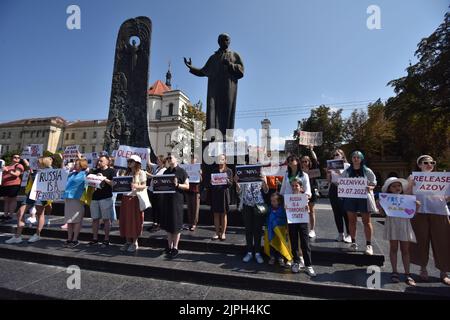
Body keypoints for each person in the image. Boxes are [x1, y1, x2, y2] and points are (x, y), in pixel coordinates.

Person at [184, 33, 244, 139]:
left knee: (227, 111)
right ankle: (212, 136)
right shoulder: (213, 58)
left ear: (229, 42)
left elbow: (241, 70)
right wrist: (191, 67)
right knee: (212, 109)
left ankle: (226, 137)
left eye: (227, 39)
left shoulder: (234, 55)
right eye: (222, 40)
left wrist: (230, 65)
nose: (225, 41)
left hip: (228, 89)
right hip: (214, 90)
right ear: (218, 42)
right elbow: (203, 71)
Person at [406, 155, 450, 285]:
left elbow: (447, 197)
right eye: (426, 162)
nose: (429, 164)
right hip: (420, 212)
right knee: (420, 241)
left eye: (432, 162)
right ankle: (423, 269)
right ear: (419, 165)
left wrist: (444, 197)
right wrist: (410, 186)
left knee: (443, 241)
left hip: (439, 212)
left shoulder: (442, 178)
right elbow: (407, 195)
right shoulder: (413, 177)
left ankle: (444, 272)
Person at [378, 177, 418, 286]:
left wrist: (417, 207)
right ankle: (394, 271)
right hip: (392, 224)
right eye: (394, 186)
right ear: (389, 189)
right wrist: (380, 206)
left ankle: (407, 273)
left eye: (399, 186)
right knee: (394, 248)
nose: (397, 188)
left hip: (404, 224)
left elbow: (412, 215)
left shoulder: (407, 198)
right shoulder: (386, 199)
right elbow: (382, 214)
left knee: (405, 250)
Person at [5, 157, 53, 244]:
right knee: (20, 212)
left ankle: (37, 235)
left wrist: (30, 169)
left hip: (41, 194)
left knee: (40, 213)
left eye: (39, 162)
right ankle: (17, 236)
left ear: (43, 163)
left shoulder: (49, 170)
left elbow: (39, 180)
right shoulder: (37, 169)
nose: (37, 164)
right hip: (31, 193)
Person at [341, 151, 377, 255]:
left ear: (361, 159)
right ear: (351, 159)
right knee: (351, 221)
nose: (356, 159)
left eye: (358, 157)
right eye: (354, 157)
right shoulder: (347, 171)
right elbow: (341, 182)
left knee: (367, 222)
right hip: (350, 198)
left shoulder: (367, 171)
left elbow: (374, 183)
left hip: (364, 198)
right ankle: (353, 243)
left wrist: (370, 187)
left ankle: (369, 245)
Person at [280, 154, 311, 267]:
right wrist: (284, 202)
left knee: (302, 236)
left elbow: (308, 192)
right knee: (291, 234)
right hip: (289, 207)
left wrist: (302, 198)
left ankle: (302, 257)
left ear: (297, 161)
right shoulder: (286, 175)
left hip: (300, 207)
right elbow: (283, 190)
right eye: (288, 161)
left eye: (292, 160)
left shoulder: (304, 176)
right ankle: (292, 257)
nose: (290, 162)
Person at [235, 170, 269, 264]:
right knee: (248, 229)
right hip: (246, 205)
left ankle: (258, 253)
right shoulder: (243, 173)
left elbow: (266, 190)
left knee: (257, 230)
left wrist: (264, 181)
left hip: (258, 205)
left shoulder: (261, 172)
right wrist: (236, 182)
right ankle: (249, 252)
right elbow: (239, 191)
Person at [160, 154, 189, 258]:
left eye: (171, 157)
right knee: (168, 224)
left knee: (176, 224)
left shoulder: (181, 171)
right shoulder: (166, 172)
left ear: (176, 159)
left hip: (177, 200)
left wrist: (177, 185)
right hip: (167, 200)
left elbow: (187, 186)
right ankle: (169, 246)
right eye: (168, 158)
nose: (169, 159)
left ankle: (175, 247)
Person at [119, 155, 149, 253]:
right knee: (126, 219)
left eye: (131, 161)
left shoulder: (141, 173)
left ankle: (135, 242)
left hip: (135, 199)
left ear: (136, 163)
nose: (129, 163)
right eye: (128, 161)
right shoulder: (126, 172)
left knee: (134, 220)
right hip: (126, 198)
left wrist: (136, 185)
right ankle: (127, 241)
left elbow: (144, 185)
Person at [287, 178, 316, 277]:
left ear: (301, 187)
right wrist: (286, 208)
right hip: (292, 221)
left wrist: (307, 209)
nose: (295, 187)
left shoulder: (304, 197)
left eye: (296, 186)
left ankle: (308, 265)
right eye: (293, 186)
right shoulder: (289, 198)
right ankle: (296, 262)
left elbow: (308, 211)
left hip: (302, 221)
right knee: (294, 242)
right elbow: (287, 209)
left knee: (305, 242)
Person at [88, 155, 115, 247]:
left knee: (106, 219)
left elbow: (114, 184)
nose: (99, 162)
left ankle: (106, 239)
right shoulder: (95, 171)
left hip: (106, 197)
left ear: (107, 162)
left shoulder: (111, 171)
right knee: (95, 219)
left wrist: (104, 178)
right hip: (95, 197)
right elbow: (90, 183)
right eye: (99, 161)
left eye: (101, 161)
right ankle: (95, 238)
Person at [326, 149, 351, 243]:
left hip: (344, 188)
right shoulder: (331, 165)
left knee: (345, 212)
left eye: (337, 154)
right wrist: (328, 173)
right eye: (334, 155)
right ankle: (340, 233)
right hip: (333, 188)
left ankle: (349, 234)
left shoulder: (347, 166)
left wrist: (340, 172)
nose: (335, 156)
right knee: (336, 213)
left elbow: (350, 179)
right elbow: (328, 180)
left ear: (342, 155)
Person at [63, 158, 89, 248]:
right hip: (68, 198)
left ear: (81, 165)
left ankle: (75, 239)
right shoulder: (71, 174)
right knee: (69, 220)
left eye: (76, 164)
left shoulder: (85, 174)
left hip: (77, 199)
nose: (74, 165)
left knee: (76, 220)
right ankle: (69, 238)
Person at [264, 192, 292, 267]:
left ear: (279, 201)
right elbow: (267, 219)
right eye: (271, 201)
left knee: (280, 244)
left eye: (274, 201)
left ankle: (281, 257)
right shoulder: (269, 209)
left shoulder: (282, 209)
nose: (272, 203)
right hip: (271, 231)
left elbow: (284, 219)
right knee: (272, 244)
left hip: (280, 230)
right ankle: (272, 257)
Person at [209, 154, 233, 240]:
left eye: (222, 159)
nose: (220, 161)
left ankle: (223, 233)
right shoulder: (214, 170)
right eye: (219, 159)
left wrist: (227, 181)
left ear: (225, 160)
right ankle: (216, 233)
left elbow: (231, 184)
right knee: (216, 214)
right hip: (215, 194)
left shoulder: (229, 171)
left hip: (224, 195)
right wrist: (211, 182)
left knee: (223, 214)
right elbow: (210, 184)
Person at [300, 146, 319, 239]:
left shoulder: (312, 170)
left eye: (306, 161)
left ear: (309, 162)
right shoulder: (299, 172)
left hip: (311, 192)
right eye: (302, 161)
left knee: (311, 211)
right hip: (300, 194)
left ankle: (312, 230)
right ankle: (304, 229)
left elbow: (315, 160)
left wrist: (311, 150)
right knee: (302, 211)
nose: (304, 163)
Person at [0, 154, 24, 221]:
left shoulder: (19, 165)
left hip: (14, 184)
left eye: (18, 158)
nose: (17, 158)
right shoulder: (7, 166)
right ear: (11, 158)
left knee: (12, 200)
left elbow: (17, 174)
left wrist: (7, 170)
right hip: (5, 184)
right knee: (6, 200)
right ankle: (5, 215)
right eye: (15, 157)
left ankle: (10, 215)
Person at [147, 155, 167, 232]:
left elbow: (156, 178)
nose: (157, 161)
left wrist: (149, 174)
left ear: (162, 162)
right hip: (152, 190)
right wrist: (148, 153)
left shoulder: (164, 170)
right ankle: (154, 223)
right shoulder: (157, 167)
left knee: (159, 207)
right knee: (154, 207)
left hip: (159, 192)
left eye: (158, 160)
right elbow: (149, 163)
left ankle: (159, 224)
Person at [186, 155, 202, 231]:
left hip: (196, 190)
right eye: (191, 159)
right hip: (188, 189)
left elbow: (201, 180)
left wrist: (200, 174)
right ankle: (190, 222)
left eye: (194, 159)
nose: (192, 160)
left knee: (195, 208)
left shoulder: (198, 168)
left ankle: (194, 223)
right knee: (189, 207)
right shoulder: (187, 168)